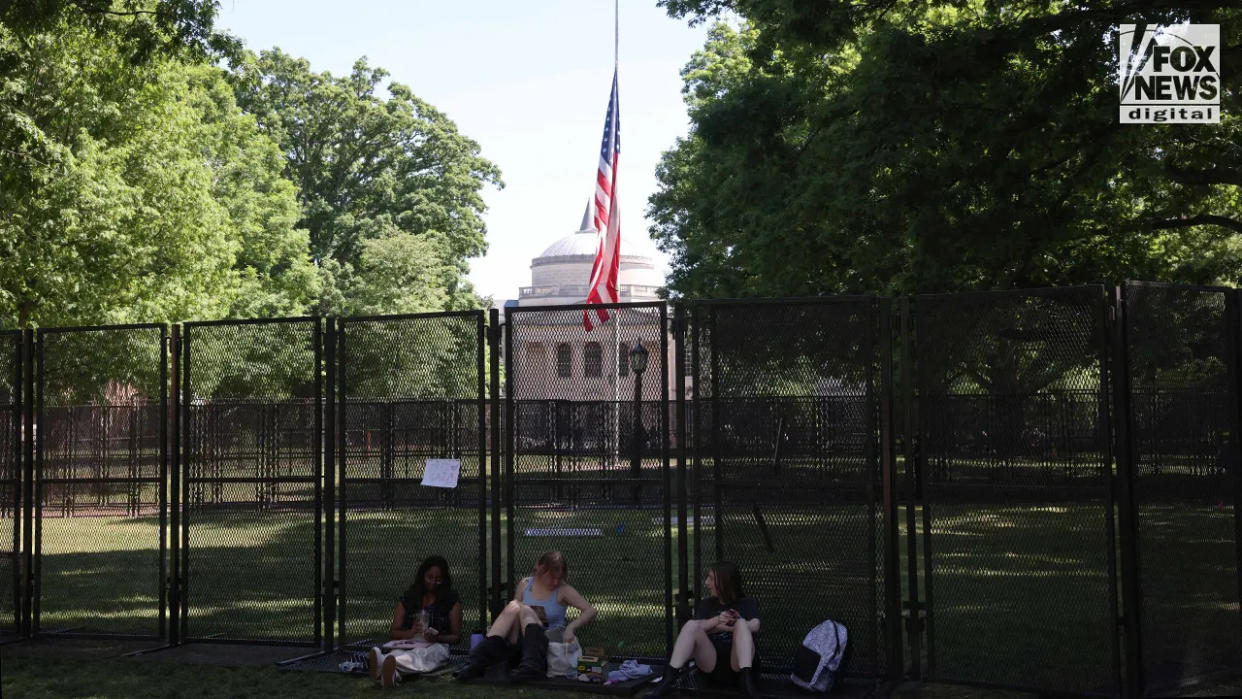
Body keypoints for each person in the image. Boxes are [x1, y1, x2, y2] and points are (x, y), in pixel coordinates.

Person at [455, 550, 597, 683]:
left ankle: (532, 665)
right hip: (520, 643)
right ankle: (475, 662)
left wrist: (571, 627)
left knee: (523, 608)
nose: (555, 582)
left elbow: (591, 611)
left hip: (546, 647)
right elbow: (515, 615)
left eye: (559, 578)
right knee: (513, 606)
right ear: (541, 571)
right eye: (552, 577)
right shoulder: (525, 584)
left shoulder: (563, 590)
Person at [645, 561, 760, 698]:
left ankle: (746, 684)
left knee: (742, 625)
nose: (707, 582)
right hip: (711, 664)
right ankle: (668, 680)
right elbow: (695, 629)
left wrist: (735, 624)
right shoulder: (706, 604)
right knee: (691, 625)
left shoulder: (746, 603)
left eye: (711, 579)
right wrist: (718, 620)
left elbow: (755, 625)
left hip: (739, 667)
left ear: (724, 582)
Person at [369, 554, 463, 687]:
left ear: (444, 579)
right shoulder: (410, 597)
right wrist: (411, 633)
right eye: (429, 577)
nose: (433, 582)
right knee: (397, 653)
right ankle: (391, 674)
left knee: (423, 655)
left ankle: (383, 664)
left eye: (438, 579)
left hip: (437, 645)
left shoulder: (451, 600)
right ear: (422, 576)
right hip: (409, 643)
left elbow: (456, 636)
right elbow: (394, 632)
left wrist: (438, 637)